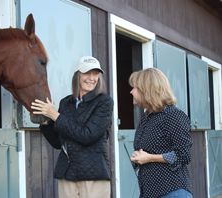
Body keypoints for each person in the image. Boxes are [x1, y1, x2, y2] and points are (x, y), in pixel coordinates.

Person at [31, 56, 113, 198]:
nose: (92, 78)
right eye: (87, 73)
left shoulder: (104, 102)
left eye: (95, 74)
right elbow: (58, 142)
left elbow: (87, 135)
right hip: (67, 173)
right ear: (77, 75)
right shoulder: (65, 103)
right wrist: (46, 122)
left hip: (93, 175)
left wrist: (55, 115)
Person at [128, 68, 193, 198]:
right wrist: (139, 157)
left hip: (172, 191)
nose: (131, 91)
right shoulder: (147, 117)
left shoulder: (173, 116)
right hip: (150, 192)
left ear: (146, 89)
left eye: (134, 87)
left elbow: (184, 155)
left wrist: (149, 157)